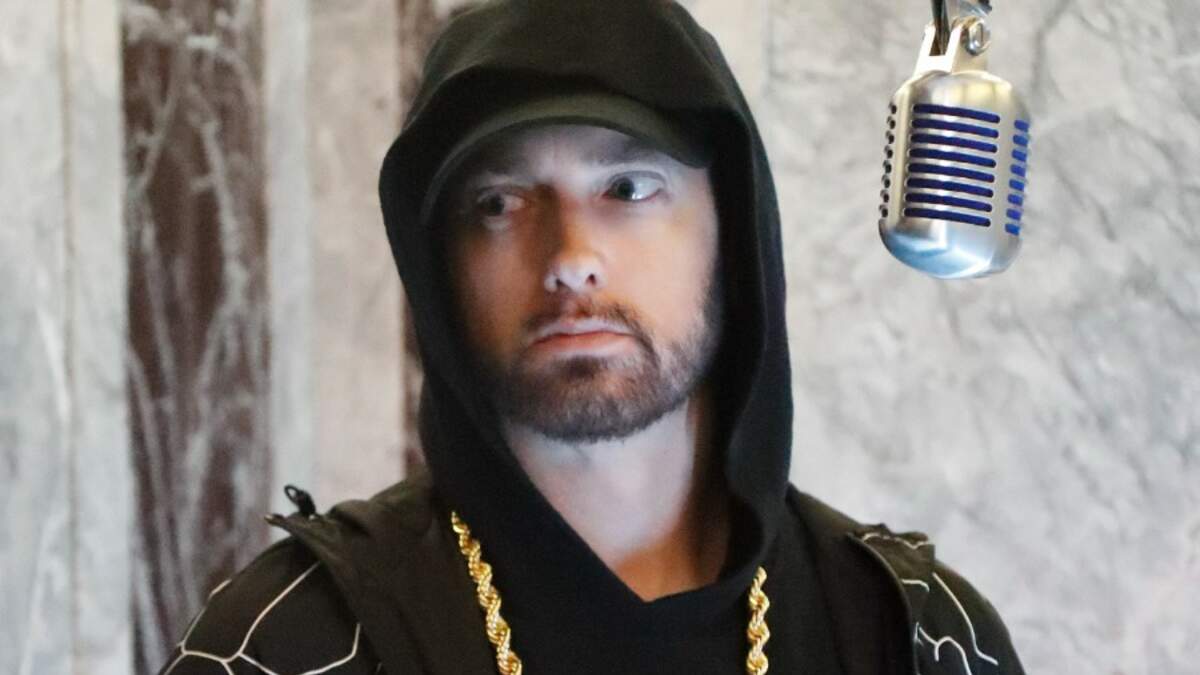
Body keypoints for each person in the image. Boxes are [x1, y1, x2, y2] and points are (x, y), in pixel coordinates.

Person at [160, 1, 1026, 673]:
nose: (571, 257)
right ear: (441, 269)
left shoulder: (914, 638)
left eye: (626, 187)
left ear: (731, 237)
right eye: (499, 202)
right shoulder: (288, 647)